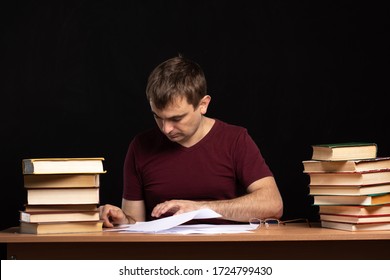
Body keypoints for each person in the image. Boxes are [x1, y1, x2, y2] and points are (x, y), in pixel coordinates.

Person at [100, 56, 283, 227]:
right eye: (158, 117)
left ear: (203, 105)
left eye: (176, 119)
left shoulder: (235, 140)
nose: (166, 129)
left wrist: (200, 209)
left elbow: (273, 205)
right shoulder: (140, 146)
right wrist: (122, 219)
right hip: (162, 257)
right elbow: (136, 227)